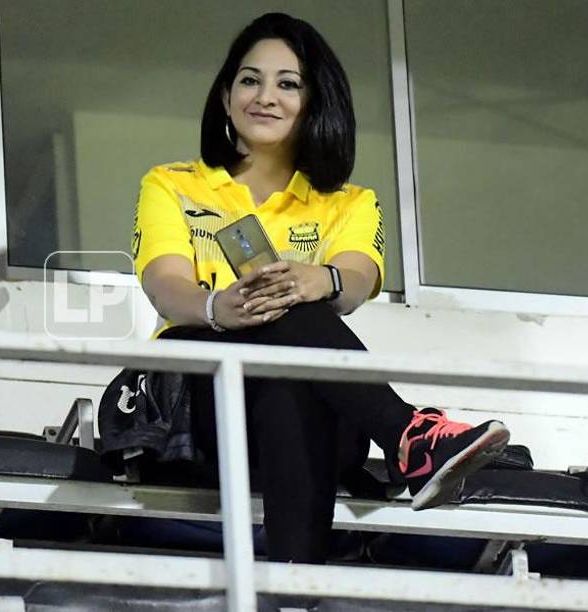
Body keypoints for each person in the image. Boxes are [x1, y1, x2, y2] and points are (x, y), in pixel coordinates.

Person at [131, 12, 510, 564]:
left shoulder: (350, 201)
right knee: (281, 317)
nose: (265, 96)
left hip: (306, 410)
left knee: (290, 342)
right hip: (200, 407)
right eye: (249, 79)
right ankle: (407, 435)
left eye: (288, 84)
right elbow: (166, 288)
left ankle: (290, 588)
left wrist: (321, 279)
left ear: (314, 103)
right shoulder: (172, 183)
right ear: (225, 95)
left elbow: (355, 282)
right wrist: (219, 308)